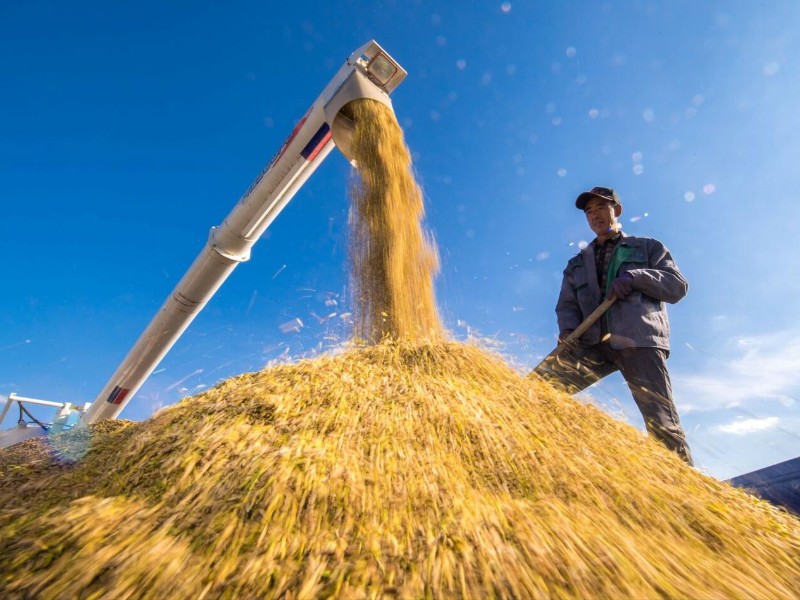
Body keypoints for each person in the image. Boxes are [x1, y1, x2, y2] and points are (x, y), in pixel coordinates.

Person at [544, 186, 694, 465]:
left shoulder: (647, 248)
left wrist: (637, 276)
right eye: (589, 211)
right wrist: (567, 331)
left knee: (661, 421)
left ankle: (687, 490)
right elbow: (567, 305)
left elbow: (677, 286)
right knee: (540, 389)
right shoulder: (577, 264)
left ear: (617, 210)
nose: (594, 215)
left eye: (601, 207)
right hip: (591, 342)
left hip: (638, 339)